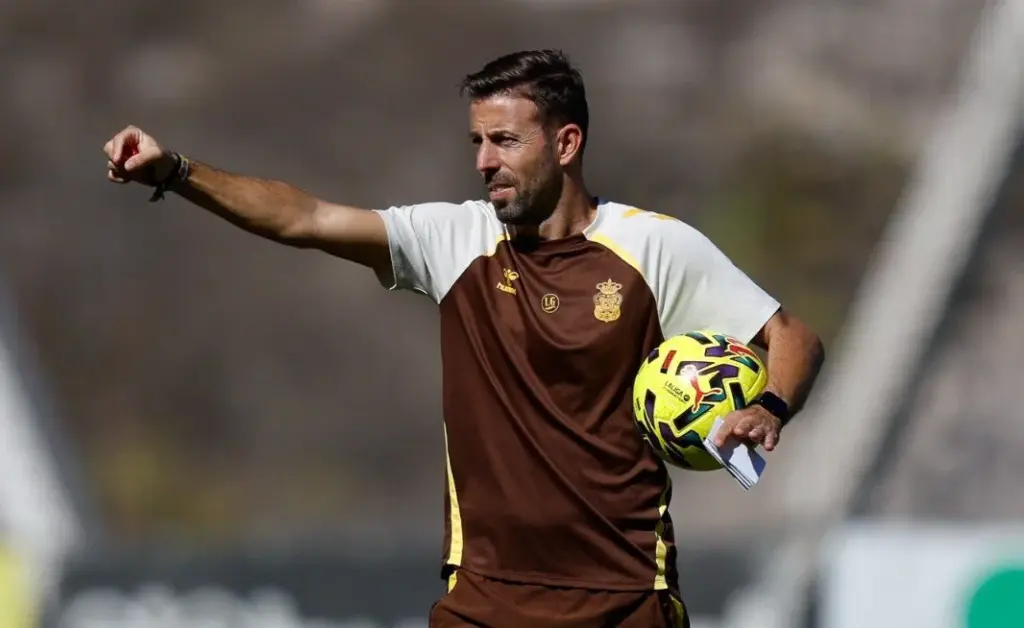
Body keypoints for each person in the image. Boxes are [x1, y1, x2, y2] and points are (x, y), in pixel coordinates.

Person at [103, 49, 824, 628]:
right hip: (483, 600)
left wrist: (770, 407)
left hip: (623, 595)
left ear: (566, 143)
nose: (483, 161)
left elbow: (792, 338)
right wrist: (177, 172)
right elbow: (307, 219)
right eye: (477, 141)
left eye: (505, 140)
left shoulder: (654, 249)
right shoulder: (456, 241)